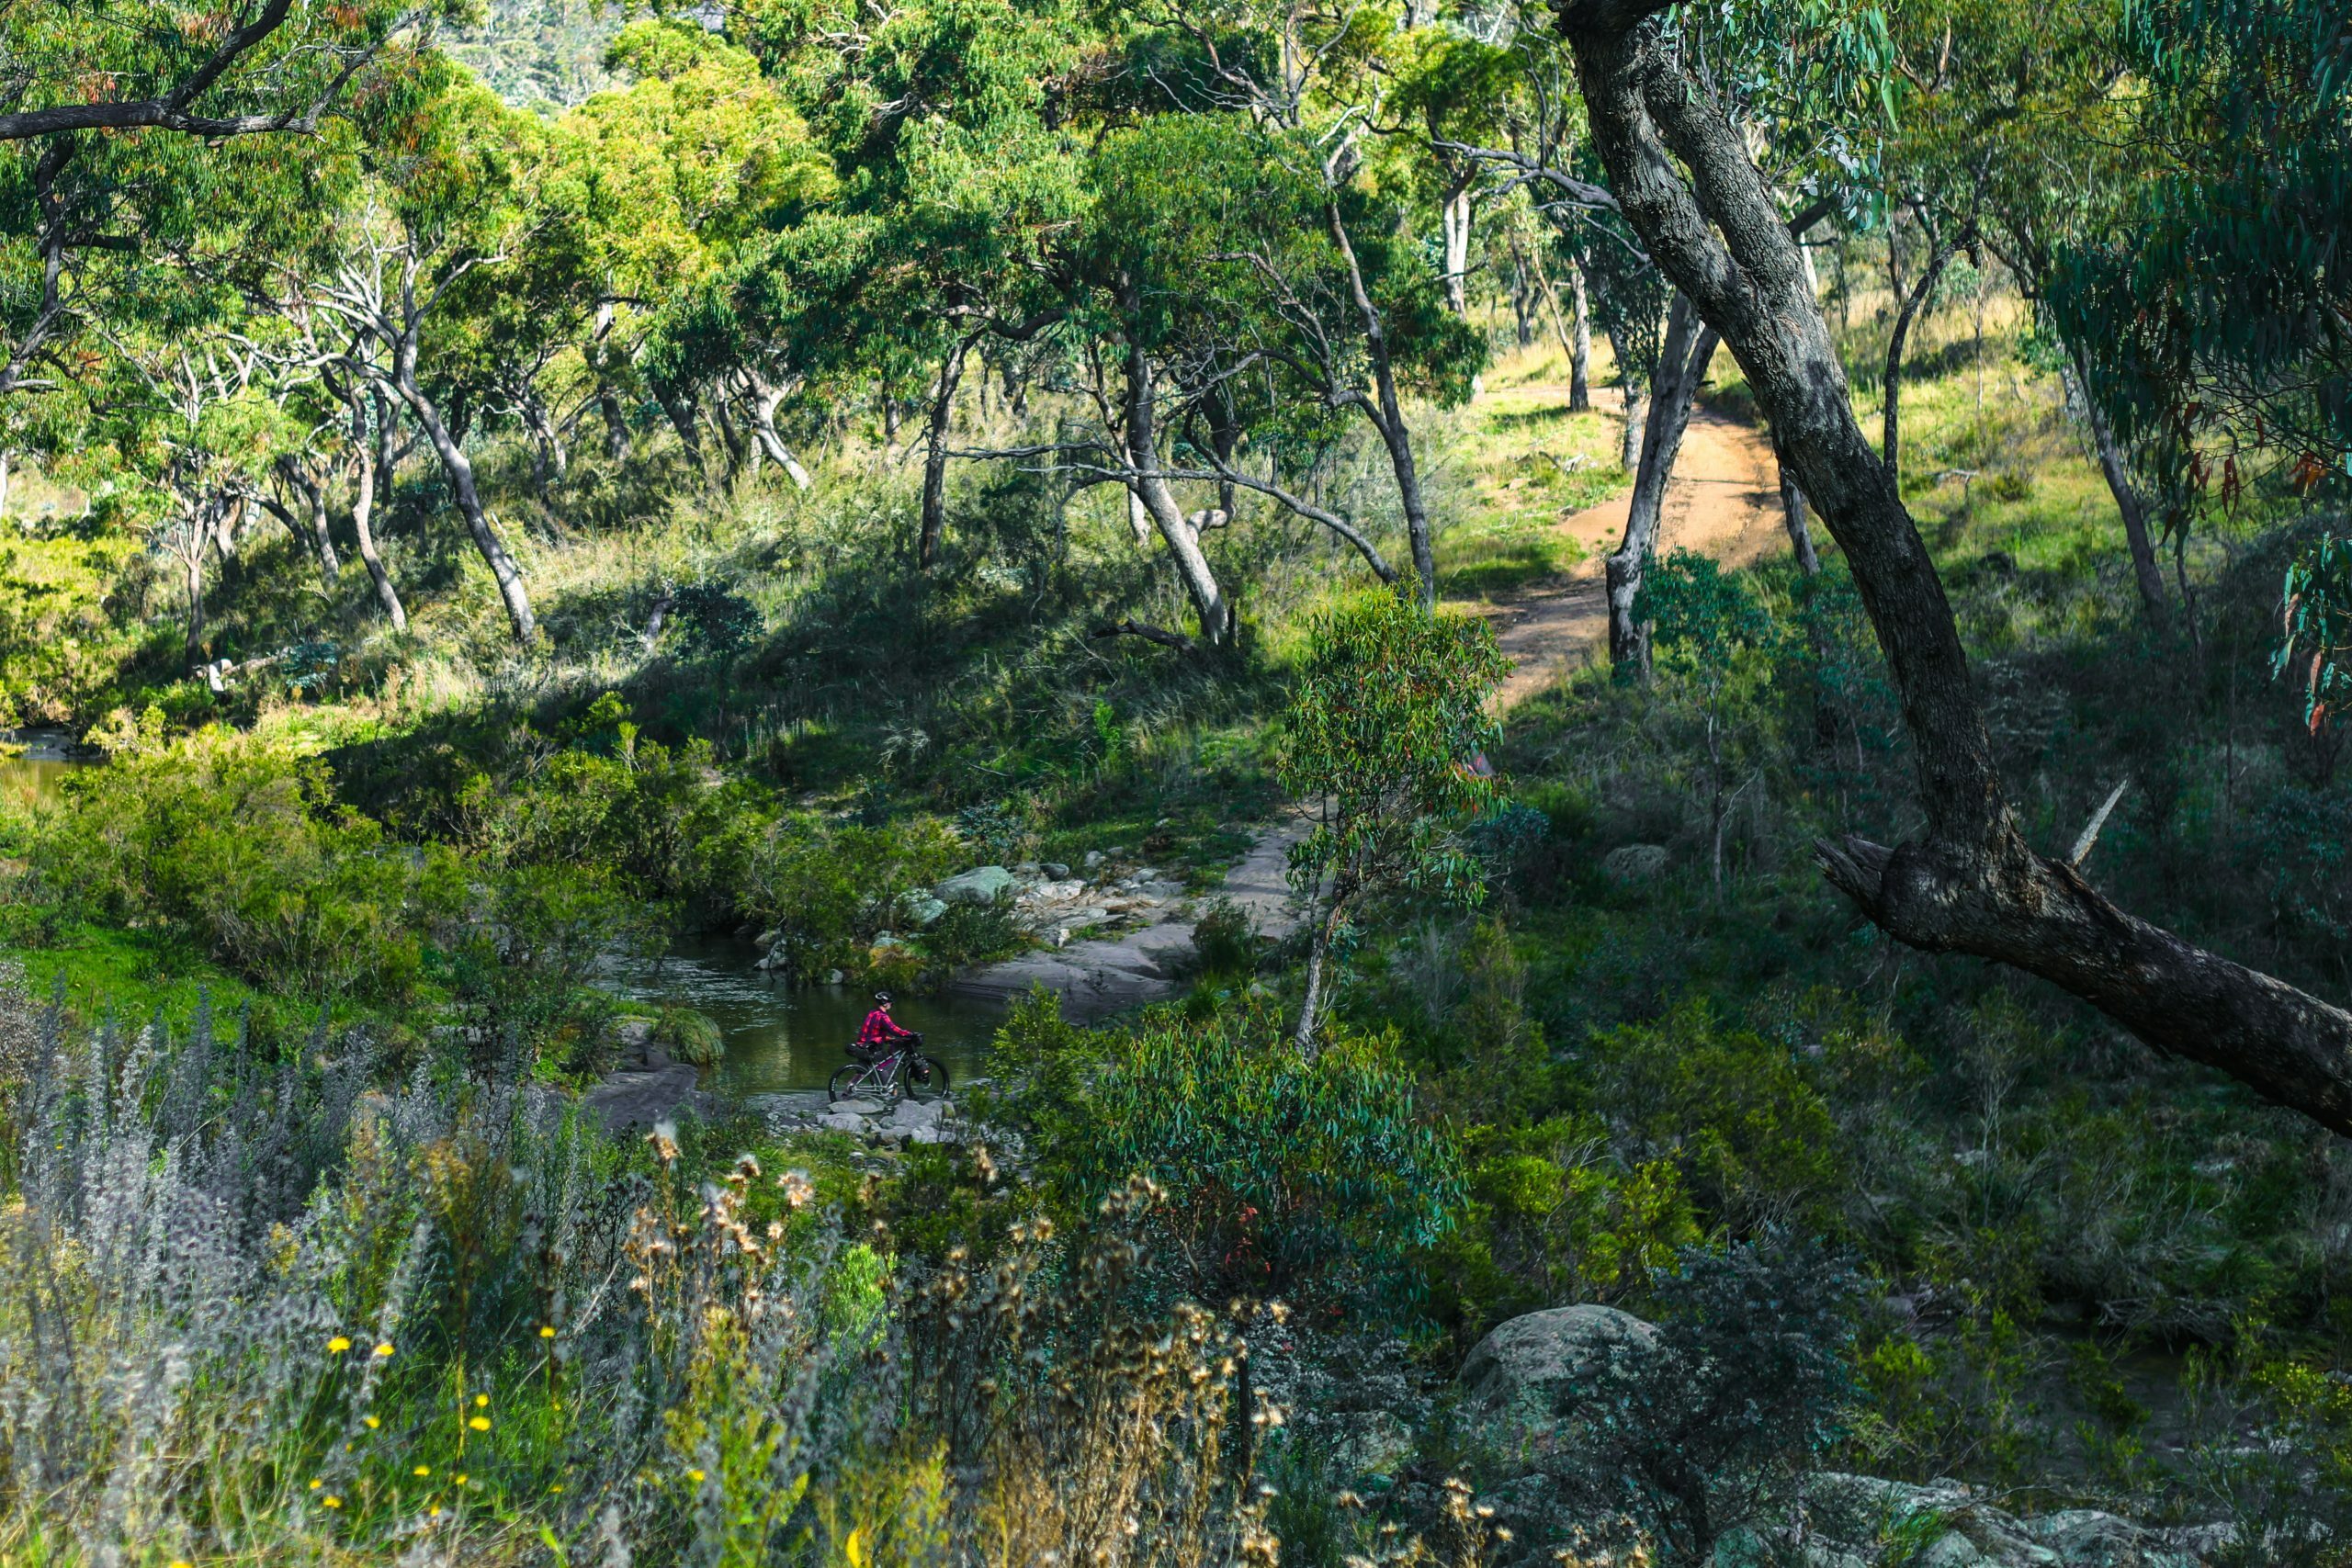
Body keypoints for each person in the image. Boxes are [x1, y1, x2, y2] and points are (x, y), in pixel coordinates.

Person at [854, 992, 918, 1059]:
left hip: (862, 1045)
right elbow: (893, 1029)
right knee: (890, 1062)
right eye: (890, 1002)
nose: (891, 1004)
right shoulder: (883, 1016)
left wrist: (888, 1039)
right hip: (871, 1048)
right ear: (885, 1004)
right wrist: (910, 1034)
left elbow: (872, 1032)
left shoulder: (872, 1012)